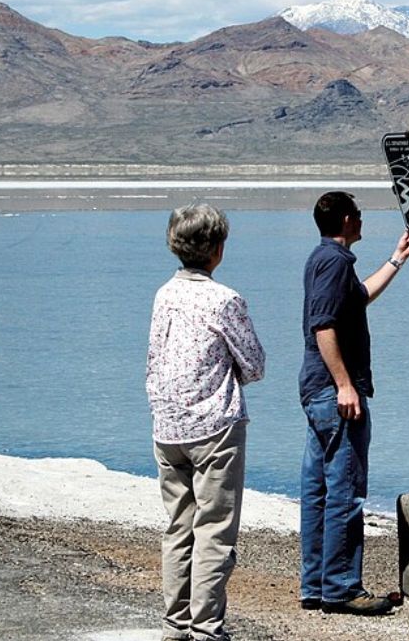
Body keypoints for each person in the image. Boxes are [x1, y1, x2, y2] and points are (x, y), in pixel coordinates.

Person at [146, 203, 265, 641]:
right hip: (215, 425)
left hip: (167, 423)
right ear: (216, 249)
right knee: (214, 529)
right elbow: (253, 365)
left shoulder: (164, 293)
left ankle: (175, 622)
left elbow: (155, 356)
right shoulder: (224, 299)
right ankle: (207, 626)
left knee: (178, 526)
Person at [299, 191, 409, 615]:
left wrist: (396, 259)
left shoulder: (326, 260)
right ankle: (342, 587)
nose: (363, 220)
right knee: (345, 490)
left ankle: (316, 585)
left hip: (317, 392)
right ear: (347, 220)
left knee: (318, 489)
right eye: (360, 215)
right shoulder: (333, 262)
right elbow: (323, 325)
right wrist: (345, 385)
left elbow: (357, 298)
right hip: (334, 393)